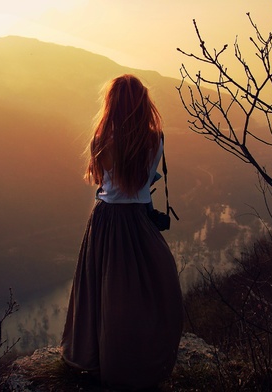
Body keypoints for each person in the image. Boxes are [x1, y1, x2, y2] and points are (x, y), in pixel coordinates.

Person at [61, 74, 183, 390]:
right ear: (144, 103)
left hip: (105, 221)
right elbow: (144, 185)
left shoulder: (101, 141)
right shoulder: (156, 139)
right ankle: (141, 362)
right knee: (152, 290)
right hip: (139, 221)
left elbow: (103, 182)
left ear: (111, 104)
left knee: (103, 292)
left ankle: (98, 358)